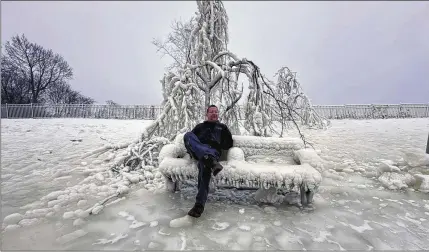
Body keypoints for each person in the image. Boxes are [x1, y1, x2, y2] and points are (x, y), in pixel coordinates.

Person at [183, 105, 234, 218]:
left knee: (205, 166)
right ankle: (209, 160)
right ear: (207, 114)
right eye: (211, 112)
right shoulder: (200, 127)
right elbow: (190, 141)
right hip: (200, 152)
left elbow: (229, 144)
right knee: (187, 135)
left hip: (213, 152)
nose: (214, 113)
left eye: (216, 111)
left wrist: (224, 139)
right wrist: (199, 149)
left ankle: (199, 205)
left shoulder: (222, 127)